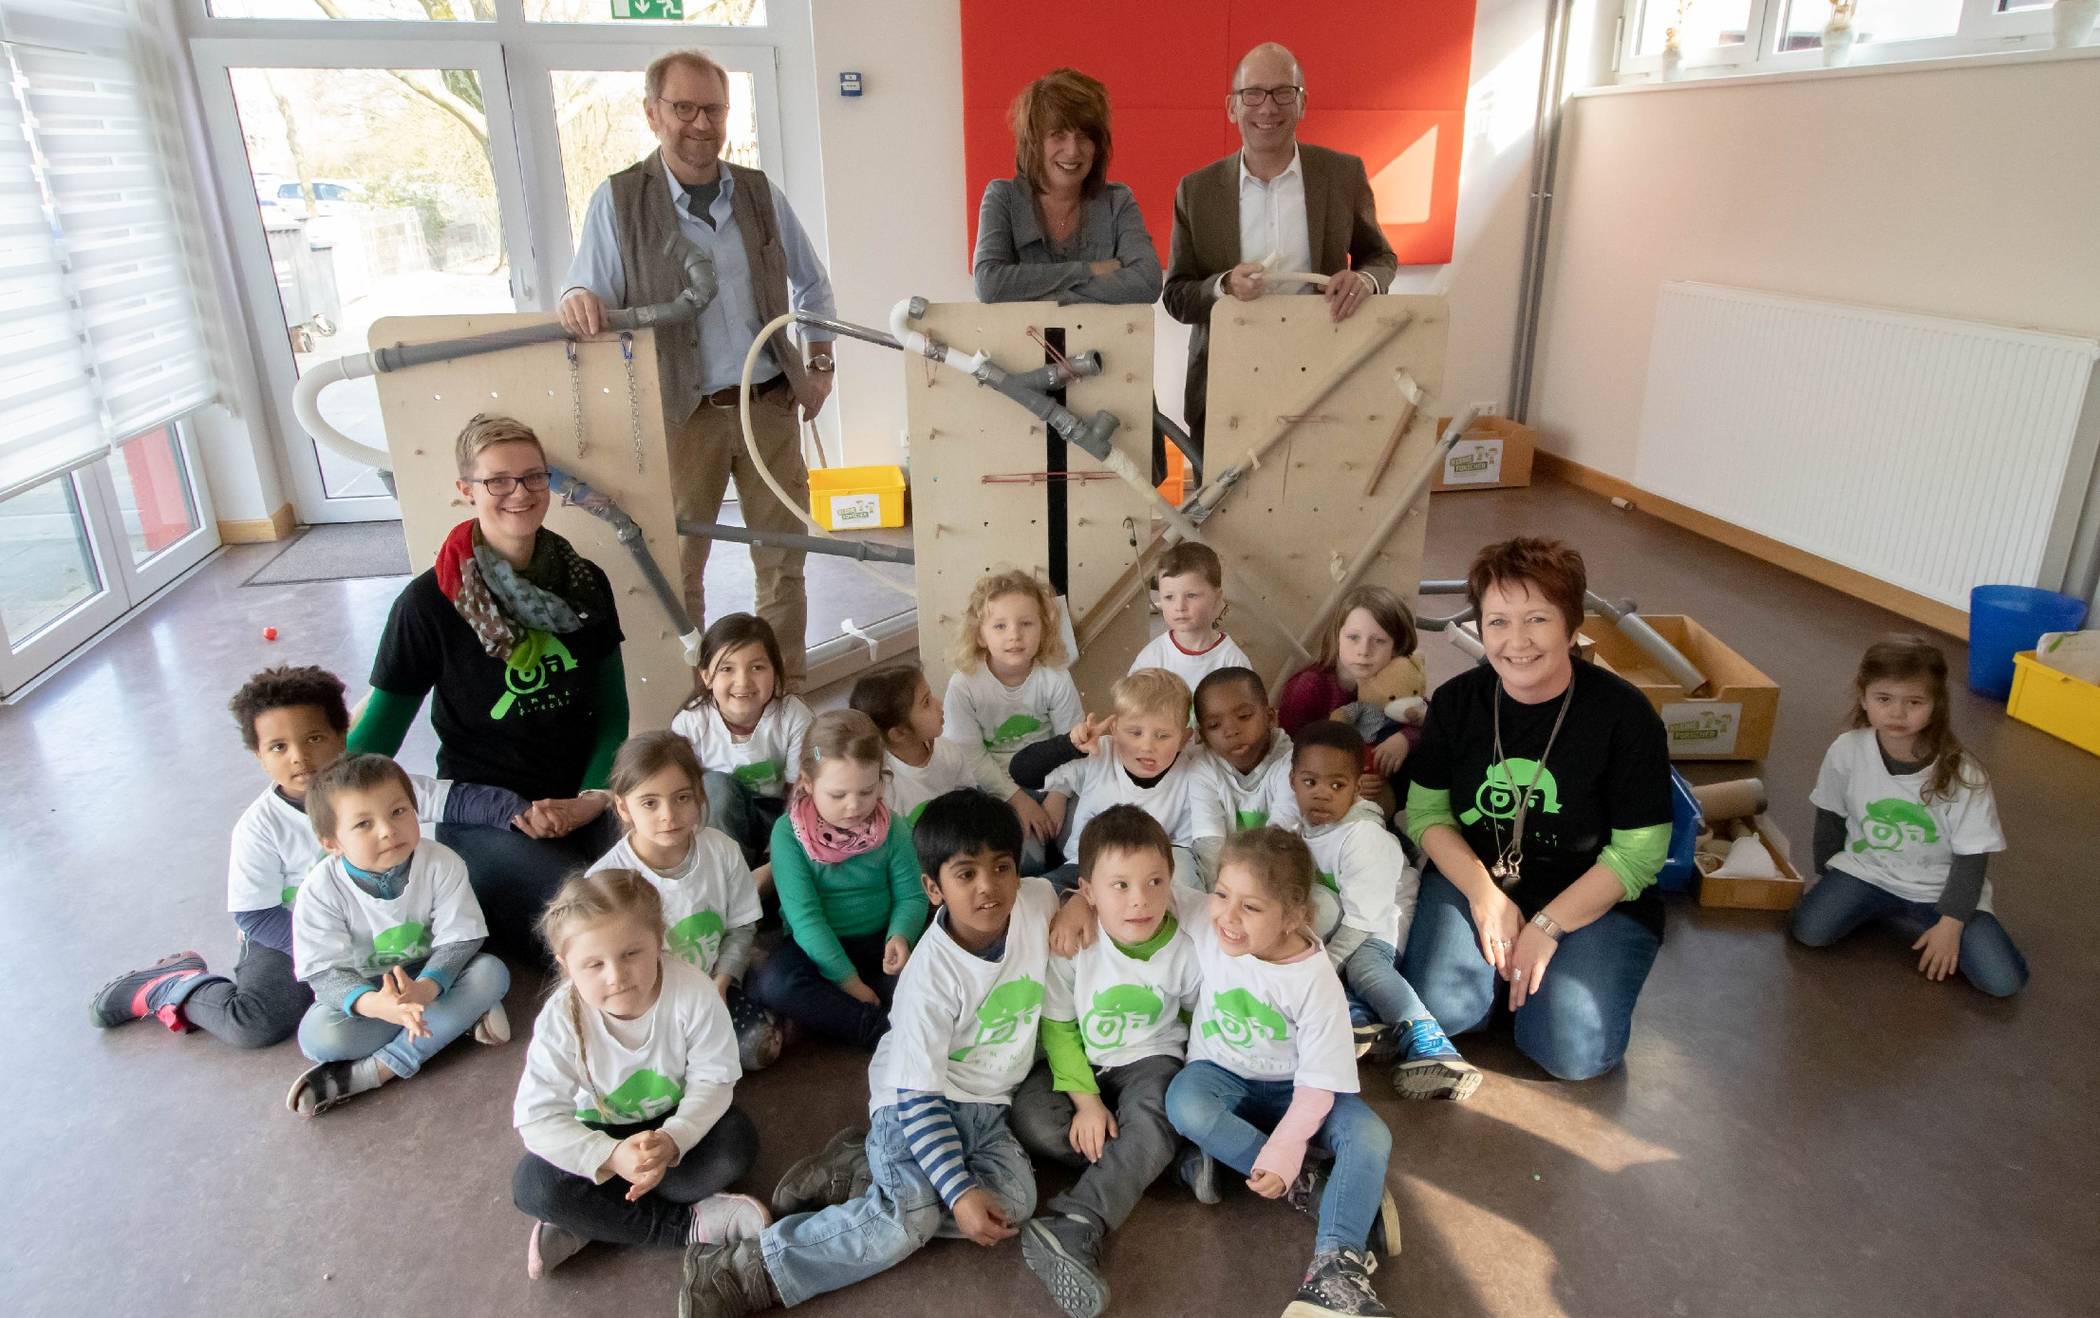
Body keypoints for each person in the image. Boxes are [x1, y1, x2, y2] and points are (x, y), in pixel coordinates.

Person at [679, 790, 1054, 1315]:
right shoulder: (930, 977)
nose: (989, 886)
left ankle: (858, 1171)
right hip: (913, 1103)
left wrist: (1081, 900)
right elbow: (921, 1101)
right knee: (912, 1218)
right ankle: (746, 1268)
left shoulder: (1036, 901)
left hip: (988, 1108)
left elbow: (1067, 882)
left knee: (1015, 1203)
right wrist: (961, 1194)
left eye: (1002, 867)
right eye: (966, 874)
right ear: (933, 888)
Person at [558, 48, 837, 684]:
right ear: (653, 113)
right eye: (683, 107)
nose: (700, 123)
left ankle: (783, 695)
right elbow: (586, 292)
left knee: (785, 559)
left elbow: (813, 287)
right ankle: (699, 708)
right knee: (679, 565)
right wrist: (576, 297)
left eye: (713, 108)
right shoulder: (619, 201)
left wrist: (819, 367)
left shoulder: (761, 194)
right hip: (681, 416)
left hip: (767, 405)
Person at [90, 665, 524, 1048]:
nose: (299, 756)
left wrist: (522, 812)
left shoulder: (374, 788)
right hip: (292, 934)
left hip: (387, 922)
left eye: (314, 738)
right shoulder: (259, 828)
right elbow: (255, 915)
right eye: (278, 747)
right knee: (258, 1022)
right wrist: (340, 958)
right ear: (259, 756)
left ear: (341, 735)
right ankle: (173, 985)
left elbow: (456, 800)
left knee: (469, 944)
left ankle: (431, 1012)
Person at [347, 414, 627, 957]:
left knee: (671, 869)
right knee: (578, 909)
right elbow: (374, 743)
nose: (519, 493)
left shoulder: (586, 581)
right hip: (488, 814)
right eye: (498, 480)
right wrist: (313, 814)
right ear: (465, 491)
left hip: (584, 799)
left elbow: (612, 714)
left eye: (534, 477)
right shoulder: (426, 605)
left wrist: (591, 799)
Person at [1399, 538, 1673, 1082]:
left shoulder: (1626, 717)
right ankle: (1507, 982)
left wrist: (1548, 925)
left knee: (1571, 1054)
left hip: (1593, 896)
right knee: (1443, 1011)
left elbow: (1639, 856)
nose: (1516, 642)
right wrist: (1484, 895)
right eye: (1497, 621)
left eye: (1537, 620)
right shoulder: (1456, 703)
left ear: (1572, 629)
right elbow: (1427, 815)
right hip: (1478, 876)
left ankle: (1531, 983)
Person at [1159, 827, 1402, 1318]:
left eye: (1251, 907)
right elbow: (1154, 888)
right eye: (1222, 894)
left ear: (1293, 916)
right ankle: (1311, 1183)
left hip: (1298, 1090)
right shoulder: (1212, 923)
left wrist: (1289, 1142)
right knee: (1184, 1100)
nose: (1227, 916)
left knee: (1371, 1135)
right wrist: (1081, 902)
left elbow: (1318, 1087)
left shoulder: (1313, 980)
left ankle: (1336, 1266)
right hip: (1221, 1076)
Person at [511, 869, 767, 1279]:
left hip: (673, 1125)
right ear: (566, 965)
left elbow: (715, 1080)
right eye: (593, 964)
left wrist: (672, 1140)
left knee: (735, 1146)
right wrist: (611, 1156)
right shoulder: (560, 1019)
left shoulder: (694, 992)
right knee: (534, 1186)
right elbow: (536, 1118)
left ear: (658, 939)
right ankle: (689, 1227)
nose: (617, 976)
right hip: (599, 1133)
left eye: (631, 953)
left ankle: (595, 1220)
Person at [1162, 42, 1399, 457]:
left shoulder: (1343, 174)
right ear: (1232, 106)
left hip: (1322, 375)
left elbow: (1380, 257)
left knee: (1312, 503)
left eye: (1282, 92)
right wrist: (1224, 286)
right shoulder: (1196, 191)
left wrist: (1364, 280)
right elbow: (1177, 297)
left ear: (1302, 103)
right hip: (1225, 384)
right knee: (1220, 513)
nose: (1267, 108)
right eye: (1252, 93)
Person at [1010, 807, 1201, 1318]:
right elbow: (1059, 1027)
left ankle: (1078, 1222)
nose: (1140, 899)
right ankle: (1165, 1161)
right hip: (1078, 1068)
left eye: (1154, 881)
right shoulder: (1074, 941)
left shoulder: (1186, 946)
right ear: (1088, 891)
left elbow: (1198, 1021)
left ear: (1171, 881)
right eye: (1119, 885)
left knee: (1161, 1108)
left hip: (1151, 1059)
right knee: (1034, 1119)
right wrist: (1088, 1103)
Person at [1791, 635, 2025, 996]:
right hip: (1869, 873)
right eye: (1884, 699)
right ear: (1864, 696)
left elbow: (1972, 858)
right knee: (1809, 931)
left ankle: (1920, 918)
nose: (1897, 714)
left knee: (2003, 982)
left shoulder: (1964, 772)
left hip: (1941, 890)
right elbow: (1830, 817)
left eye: (1914, 702)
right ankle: (1885, 908)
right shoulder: (1847, 750)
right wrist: (1829, 878)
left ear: (1937, 704)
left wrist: (1952, 922)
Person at [286, 754, 512, 1116]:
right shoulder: (319, 890)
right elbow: (324, 974)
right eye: (363, 824)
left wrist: (426, 988)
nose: (388, 830)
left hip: (435, 974)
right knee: (319, 1037)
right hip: (370, 990)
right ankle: (457, 1021)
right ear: (331, 842)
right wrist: (381, 1006)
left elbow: (461, 939)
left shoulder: (441, 861)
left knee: (491, 972)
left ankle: (380, 1069)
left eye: (398, 812)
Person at [1290, 721, 1477, 1101]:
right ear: (1293, 782)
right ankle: (1362, 1021)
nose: (1322, 794)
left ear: (1358, 787)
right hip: (1342, 923)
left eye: (1337, 785)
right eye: (1310, 783)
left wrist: (1322, 967)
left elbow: (1363, 922)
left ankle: (1432, 1044)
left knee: (1361, 966)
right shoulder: (1298, 831)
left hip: (1379, 924)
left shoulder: (1364, 837)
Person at [588, 731, 783, 1071]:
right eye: (650, 803)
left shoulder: (722, 851)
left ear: (699, 795)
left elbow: (740, 926)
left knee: (756, 1051)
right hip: (647, 1000)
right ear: (623, 806)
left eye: (682, 798)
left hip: (715, 979)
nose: (669, 815)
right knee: (658, 1069)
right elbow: (605, 967)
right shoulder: (607, 880)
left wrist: (720, 984)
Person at [748, 710, 929, 1048]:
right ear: (807, 782)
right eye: (838, 795)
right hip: (814, 947)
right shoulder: (788, 835)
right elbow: (806, 921)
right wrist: (849, 983)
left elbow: (911, 897)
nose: (854, 806)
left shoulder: (895, 829)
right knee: (776, 983)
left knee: (934, 973)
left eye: (867, 791)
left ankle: (842, 1016)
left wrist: (901, 936)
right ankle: (877, 1030)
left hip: (880, 943)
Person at [1013, 668, 1229, 892]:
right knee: (1033, 896)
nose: (1147, 746)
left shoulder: (1193, 771)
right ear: (1114, 729)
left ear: (1184, 738)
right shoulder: (1099, 753)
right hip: (1083, 871)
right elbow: (1021, 772)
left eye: (1163, 736)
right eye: (1135, 733)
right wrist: (1068, 746)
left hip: (1146, 881)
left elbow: (1191, 852)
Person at [973, 67, 1162, 307]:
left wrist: (1049, 296)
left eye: (1084, 136)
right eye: (1058, 135)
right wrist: (1089, 270)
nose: (1073, 151)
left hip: (1103, 344)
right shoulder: (1002, 198)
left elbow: (1147, 282)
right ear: (1033, 142)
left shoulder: (1118, 201)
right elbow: (989, 284)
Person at [848, 662, 1053, 844]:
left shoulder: (949, 751)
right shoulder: (883, 784)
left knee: (1027, 849)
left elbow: (969, 807)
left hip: (958, 844)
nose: (939, 704)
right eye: (926, 703)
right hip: (917, 865)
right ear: (899, 733)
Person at [671, 613, 815, 872]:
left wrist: (780, 850)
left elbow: (799, 792)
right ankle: (732, 875)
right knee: (713, 786)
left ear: (775, 669)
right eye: (727, 669)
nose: (743, 681)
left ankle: (774, 871)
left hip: (778, 815)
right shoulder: (690, 723)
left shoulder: (793, 716)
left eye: (757, 667)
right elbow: (681, 796)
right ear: (706, 676)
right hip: (719, 823)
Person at [1276, 584, 1422, 803]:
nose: (1364, 651)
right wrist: (1344, 781)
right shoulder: (1309, 687)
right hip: (1319, 787)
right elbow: (1287, 752)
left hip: (1379, 783)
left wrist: (1404, 739)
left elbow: (1425, 715)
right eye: (1353, 637)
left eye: (1379, 641)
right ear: (1337, 636)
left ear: (1397, 646)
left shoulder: (1396, 678)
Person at [942, 568, 1086, 774]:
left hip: (1050, 778)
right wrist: (1017, 799)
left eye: (1026, 623)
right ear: (980, 635)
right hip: (988, 784)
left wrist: (1058, 795)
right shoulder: (963, 685)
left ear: (1043, 630)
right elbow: (969, 757)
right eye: (1000, 626)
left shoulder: (1056, 678)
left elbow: (1072, 743)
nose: (1014, 635)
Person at [1128, 542, 1252, 693]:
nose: (1180, 606)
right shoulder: (1152, 658)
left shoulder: (1232, 661)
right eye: (1169, 597)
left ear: (1217, 598)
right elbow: (1132, 709)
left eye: (1191, 595)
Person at [1194, 666, 1300, 832]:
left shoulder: (1294, 764)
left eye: (1244, 716)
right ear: (1204, 737)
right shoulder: (1203, 768)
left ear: (1270, 717)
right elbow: (1209, 841)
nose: (1231, 731)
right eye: (1214, 725)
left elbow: (1282, 834)